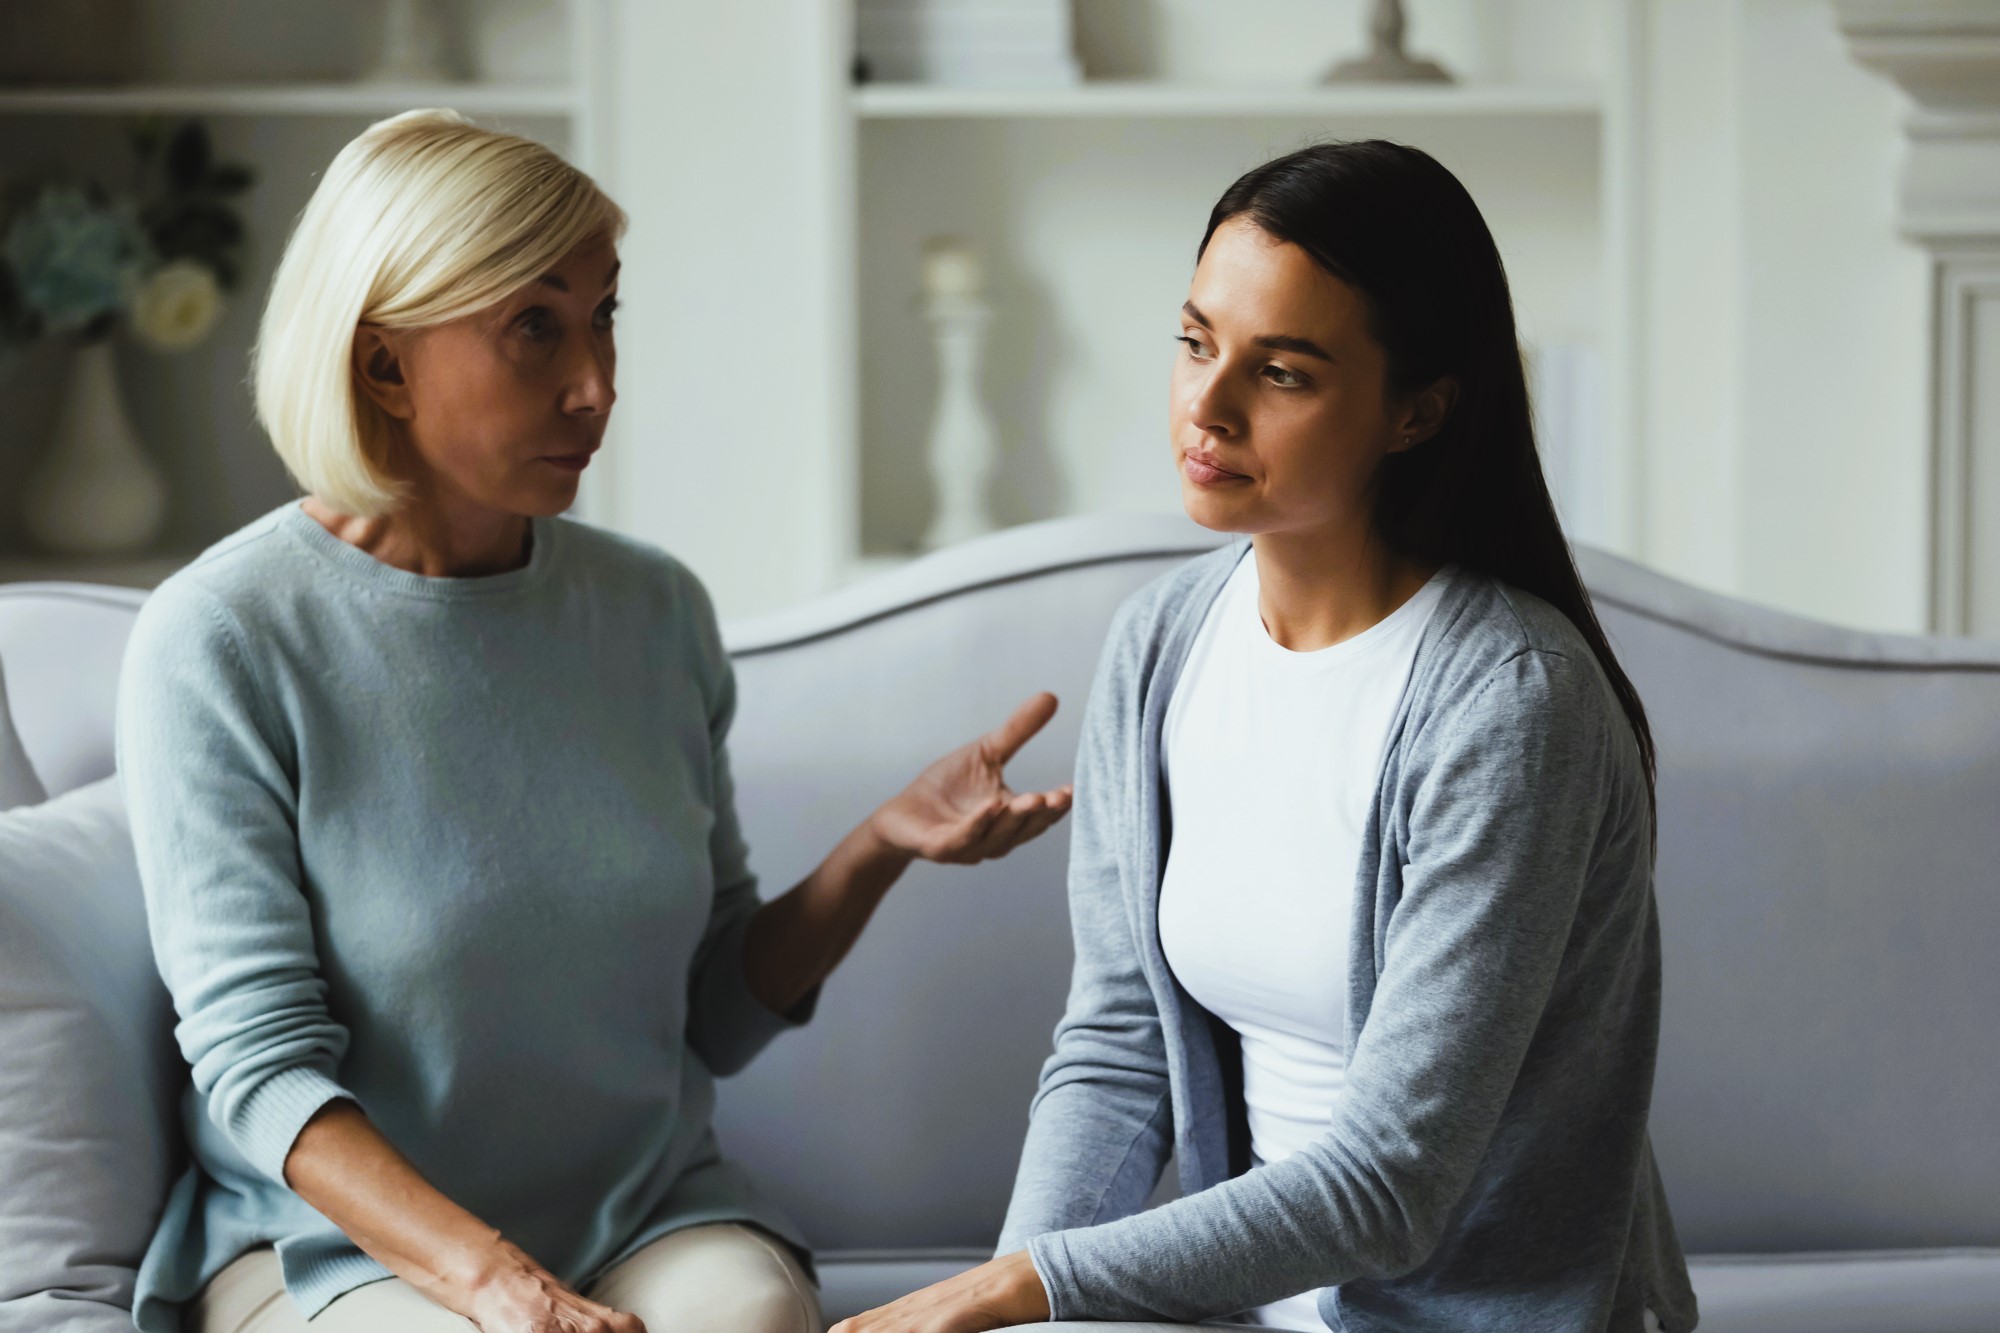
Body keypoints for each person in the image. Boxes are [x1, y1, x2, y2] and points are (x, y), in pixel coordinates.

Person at [118, 109, 1072, 1333]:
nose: (596, 384)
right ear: (382, 363)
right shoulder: (222, 637)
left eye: (603, 315)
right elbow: (260, 1069)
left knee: (745, 1319)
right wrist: (494, 1284)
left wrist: (879, 842)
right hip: (335, 1248)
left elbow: (715, 1017)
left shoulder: (652, 611)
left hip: (638, 1214)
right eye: (533, 327)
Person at [834, 141, 1699, 1333]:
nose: (1209, 404)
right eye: (1195, 342)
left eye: (1281, 372)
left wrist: (1022, 1286)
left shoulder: (1508, 704)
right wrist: (1017, 1314)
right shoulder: (1160, 642)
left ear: (1417, 410)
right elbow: (1116, 1044)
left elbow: (1394, 1180)